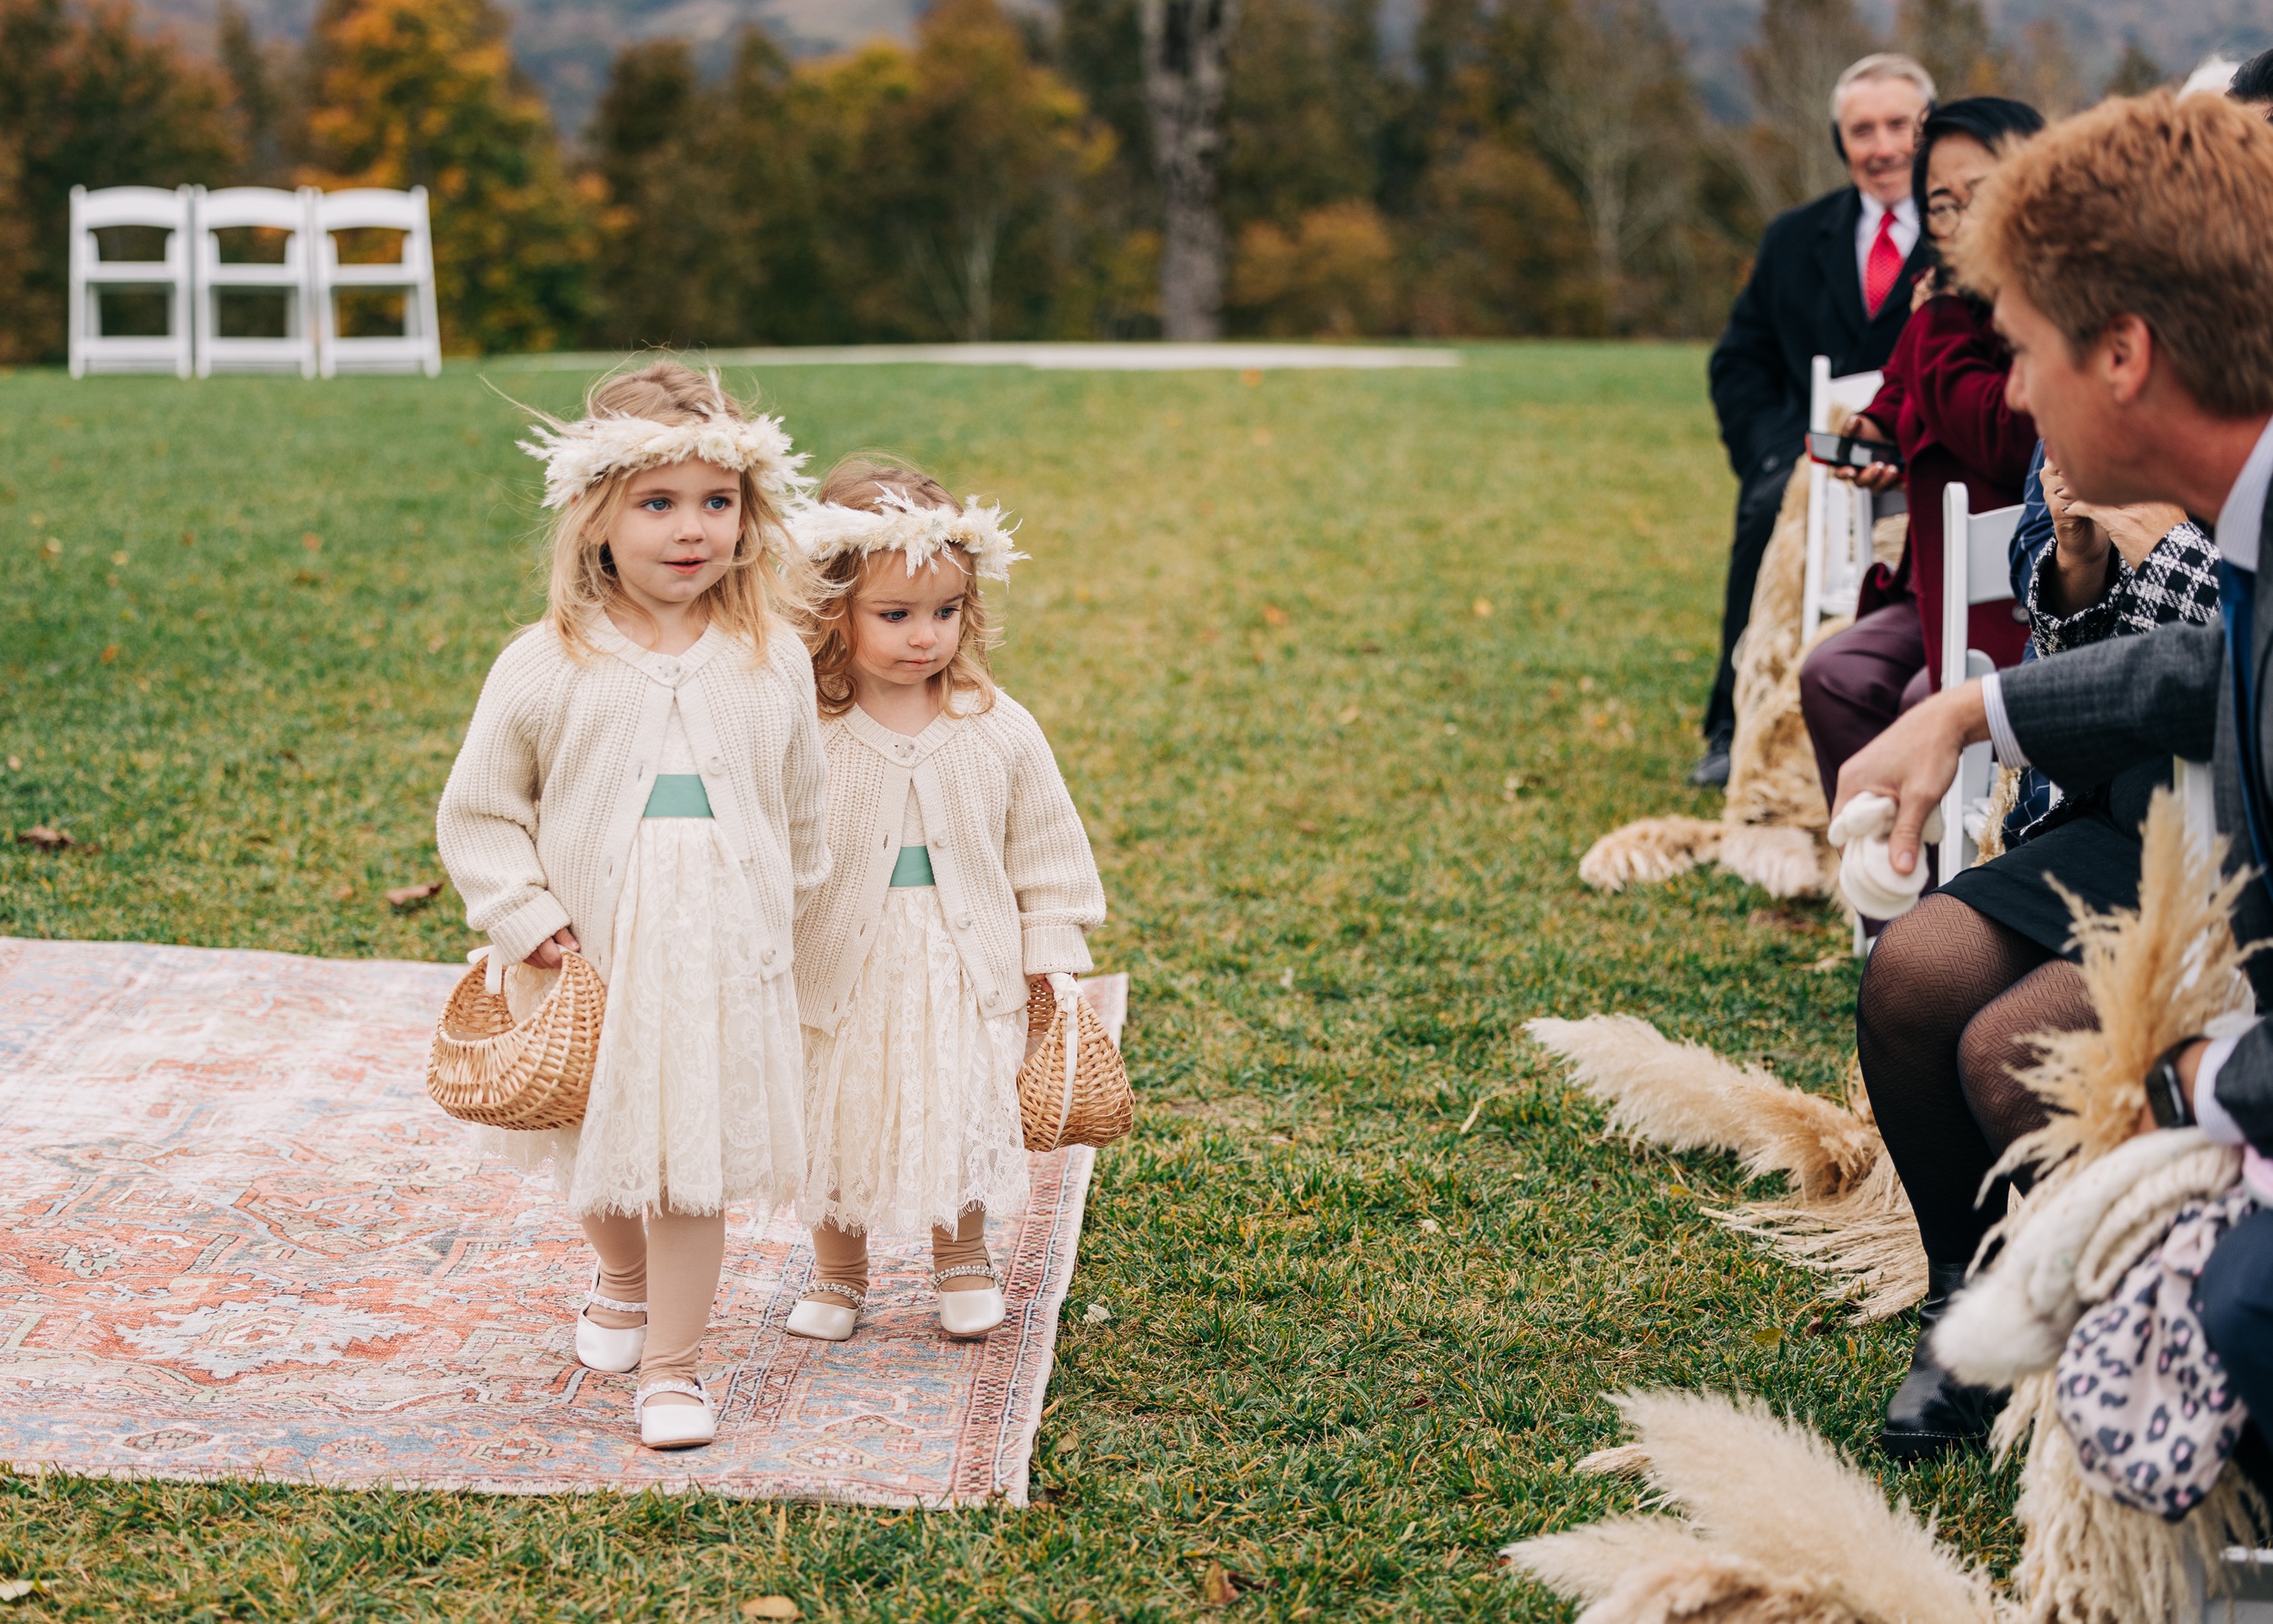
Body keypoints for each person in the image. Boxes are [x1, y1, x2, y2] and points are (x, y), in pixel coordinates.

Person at [1829, 92, 2273, 1474]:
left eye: (2022, 353)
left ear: (2125, 355)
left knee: (2009, 1051)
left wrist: (2214, 1075)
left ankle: (2109, 1376)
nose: (2008, 395)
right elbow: (2197, 669)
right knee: (1918, 971)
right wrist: (1978, 702)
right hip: (2122, 812)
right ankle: (1983, 1307)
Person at [436, 361, 828, 1451]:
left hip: (720, 949)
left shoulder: (771, 659)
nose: (691, 528)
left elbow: (803, 812)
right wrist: (522, 915)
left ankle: (675, 1366)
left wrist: (783, 921)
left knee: (686, 1156)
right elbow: (477, 811)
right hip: (591, 949)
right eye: (658, 503)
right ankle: (619, 1275)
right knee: (599, 1137)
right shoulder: (545, 663)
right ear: (596, 518)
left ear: (749, 515)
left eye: (717, 501)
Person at [783, 459, 1106, 1345]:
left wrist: (1052, 948)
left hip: (958, 958)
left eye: (945, 611)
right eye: (894, 615)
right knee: (835, 1109)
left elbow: (1043, 846)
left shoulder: (994, 723)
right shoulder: (804, 727)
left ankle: (961, 1259)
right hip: (839, 958)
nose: (925, 635)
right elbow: (767, 844)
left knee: (951, 1102)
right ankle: (837, 1272)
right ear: (830, 610)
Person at [1797, 96, 2044, 817]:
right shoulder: (1949, 303)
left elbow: (2007, 436)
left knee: (1917, 702)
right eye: (1942, 204)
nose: (1963, 221)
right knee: (1832, 674)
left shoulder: (2054, 308)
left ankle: (1956, 898)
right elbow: (1905, 394)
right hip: (1934, 583)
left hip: (2020, 596)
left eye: (1984, 195)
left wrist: (1933, 324)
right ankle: (1888, 912)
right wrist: (1876, 437)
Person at [1697, 53, 1938, 788]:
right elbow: (1739, 363)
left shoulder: (1971, 237)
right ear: (1841, 142)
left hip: (1923, 459)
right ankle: (1734, 726)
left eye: (1899, 125)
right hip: (1807, 466)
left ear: (1929, 134)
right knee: (1765, 511)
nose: (1882, 146)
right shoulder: (1793, 239)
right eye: (1862, 130)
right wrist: (1777, 457)